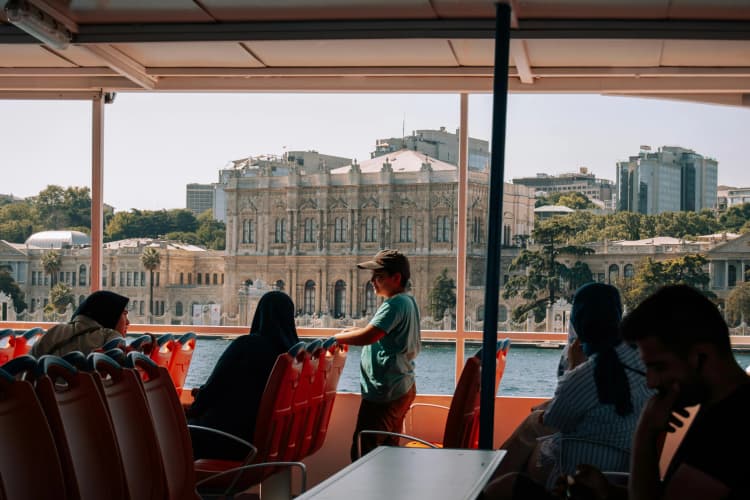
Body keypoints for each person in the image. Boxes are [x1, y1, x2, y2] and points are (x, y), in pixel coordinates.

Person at [565, 284, 750, 500]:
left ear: (700, 356)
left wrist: (645, 433)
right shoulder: (719, 409)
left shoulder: (732, 426)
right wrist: (608, 492)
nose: (651, 382)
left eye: (659, 367)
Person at [485, 283, 651, 499]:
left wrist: (573, 369)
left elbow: (556, 420)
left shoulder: (585, 373)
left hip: (574, 474)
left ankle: (487, 485)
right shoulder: (642, 359)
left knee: (529, 430)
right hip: (622, 470)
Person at [186, 291, 300, 460]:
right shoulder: (293, 356)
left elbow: (211, 391)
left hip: (226, 441)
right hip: (265, 443)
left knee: (161, 431)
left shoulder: (246, 345)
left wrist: (188, 411)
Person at [334, 249, 421, 461]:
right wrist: (350, 332)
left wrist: (336, 339)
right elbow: (377, 331)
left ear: (396, 278)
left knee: (365, 453)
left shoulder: (395, 304)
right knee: (388, 452)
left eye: (379, 276)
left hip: (386, 391)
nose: (372, 281)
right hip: (401, 385)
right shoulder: (406, 302)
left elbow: (370, 335)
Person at [31, 290, 130, 357]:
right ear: (111, 315)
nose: (128, 322)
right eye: (124, 315)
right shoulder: (110, 338)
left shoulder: (54, 332)